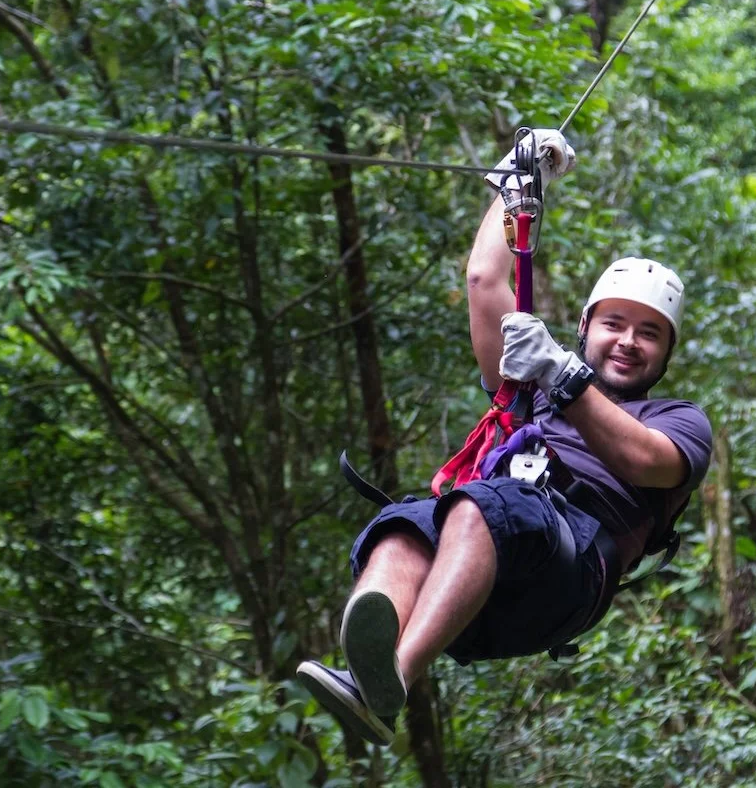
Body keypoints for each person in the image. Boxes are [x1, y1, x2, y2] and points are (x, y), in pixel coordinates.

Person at [297, 130, 713, 746]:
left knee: (481, 508)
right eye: (615, 324)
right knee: (405, 526)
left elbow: (642, 459)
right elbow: (484, 281)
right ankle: (371, 669)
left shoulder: (678, 420)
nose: (629, 341)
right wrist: (517, 183)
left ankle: (392, 685)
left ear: (667, 353)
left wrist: (562, 376)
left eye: (649, 333)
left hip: (570, 571)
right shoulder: (532, 386)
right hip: (483, 584)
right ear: (585, 327)